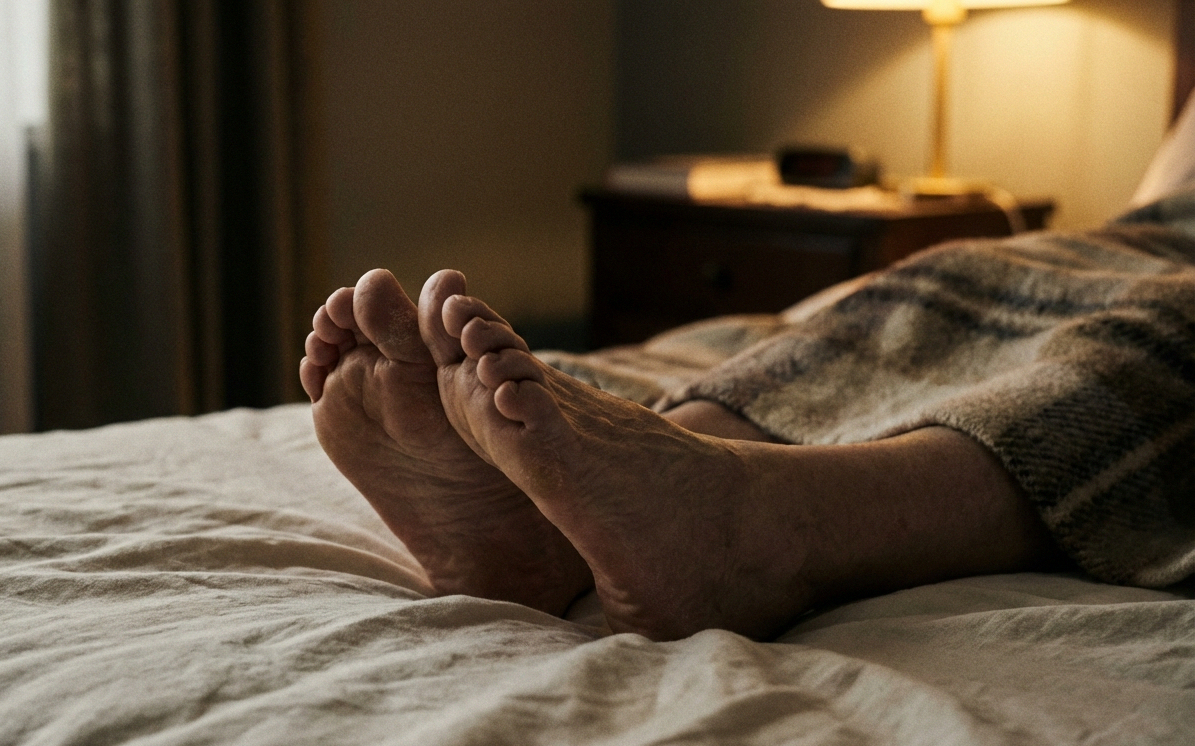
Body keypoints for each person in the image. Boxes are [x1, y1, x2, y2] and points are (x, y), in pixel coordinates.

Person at [300, 193, 1195, 642]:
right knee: (932, 283)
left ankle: (761, 523)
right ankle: (619, 493)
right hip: (1145, 225)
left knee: (1155, 337)